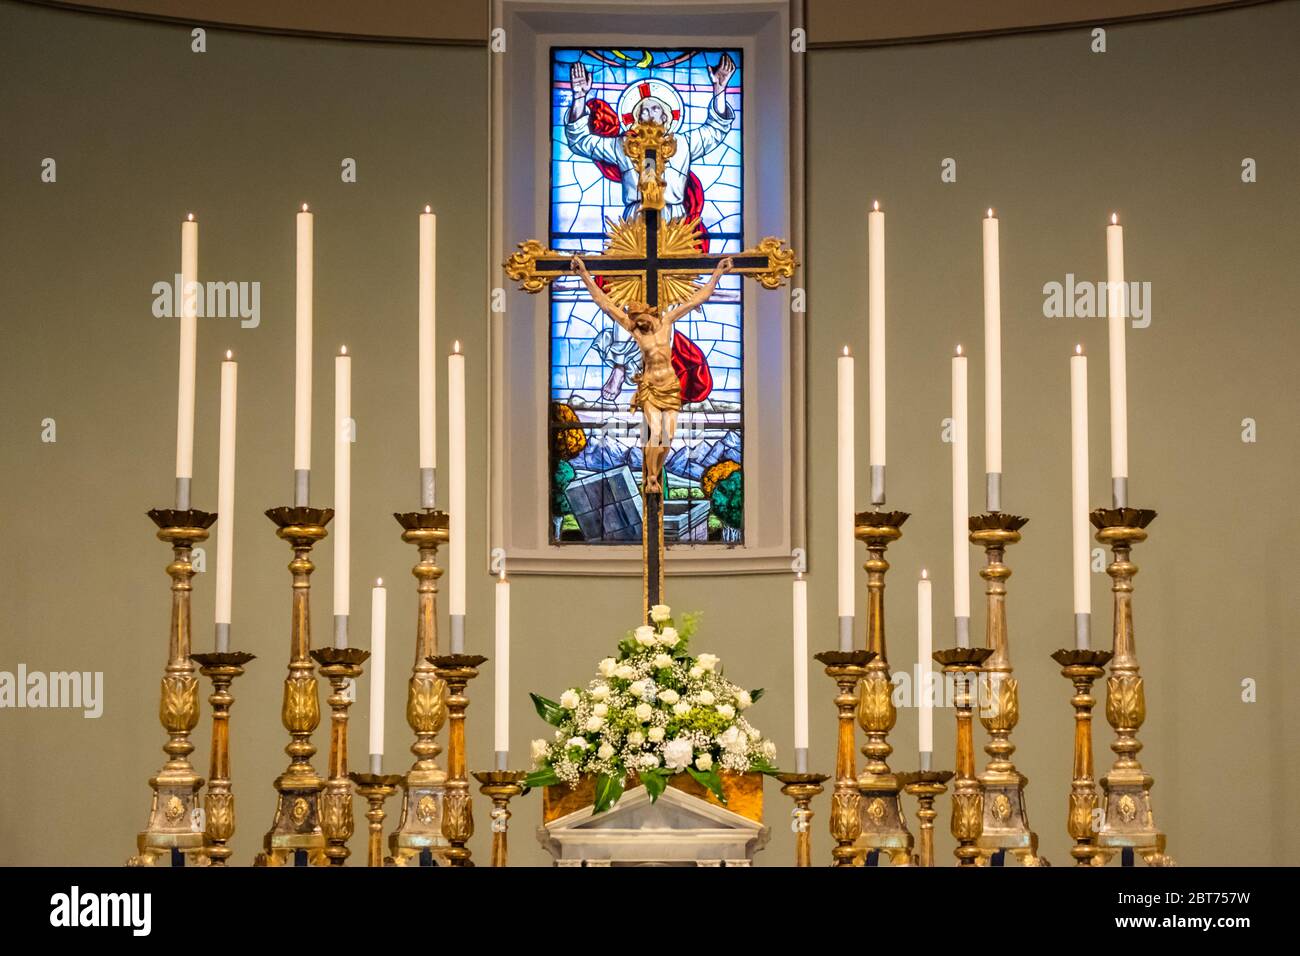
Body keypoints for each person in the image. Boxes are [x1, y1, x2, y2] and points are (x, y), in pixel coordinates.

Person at [570, 254, 734, 493]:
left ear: (650, 313)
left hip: (671, 389)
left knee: (667, 437)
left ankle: (655, 470)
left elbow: (698, 298)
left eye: (639, 319)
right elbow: (604, 304)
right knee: (655, 432)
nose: (635, 324)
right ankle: (651, 479)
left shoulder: (667, 323)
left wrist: (717, 273)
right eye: (633, 320)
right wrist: (584, 274)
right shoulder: (636, 331)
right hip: (650, 390)